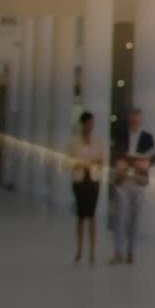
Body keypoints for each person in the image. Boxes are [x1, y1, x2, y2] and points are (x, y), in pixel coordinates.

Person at [110, 108, 155, 265]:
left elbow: (153, 158)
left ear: (140, 120)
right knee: (120, 217)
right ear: (129, 120)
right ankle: (118, 252)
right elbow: (115, 154)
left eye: (137, 119)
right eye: (132, 119)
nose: (134, 122)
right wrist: (120, 162)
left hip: (139, 180)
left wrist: (144, 163)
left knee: (137, 218)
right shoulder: (120, 135)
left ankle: (131, 252)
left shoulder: (147, 138)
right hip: (123, 180)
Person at [67, 111, 105, 265]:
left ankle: (92, 252)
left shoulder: (98, 141)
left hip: (93, 180)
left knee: (92, 215)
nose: (90, 126)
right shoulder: (74, 142)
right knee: (81, 216)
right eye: (88, 123)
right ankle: (79, 249)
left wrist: (93, 163)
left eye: (92, 124)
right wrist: (81, 163)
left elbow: (102, 160)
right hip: (79, 180)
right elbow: (68, 161)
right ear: (82, 124)